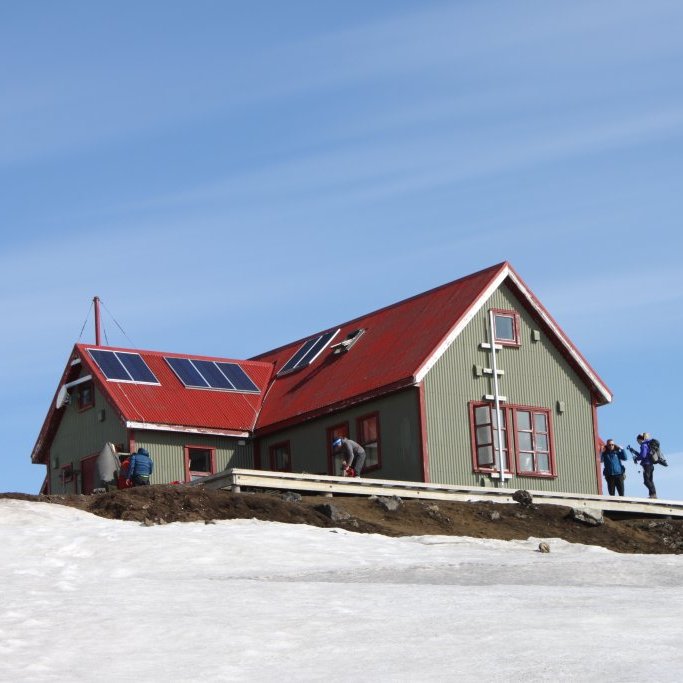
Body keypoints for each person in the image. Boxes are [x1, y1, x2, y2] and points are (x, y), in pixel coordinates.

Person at [628, 433, 657, 499]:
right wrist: (634, 452)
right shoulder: (647, 444)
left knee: (646, 481)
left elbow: (643, 456)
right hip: (650, 465)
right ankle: (652, 495)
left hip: (646, 465)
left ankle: (653, 494)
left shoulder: (643, 445)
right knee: (650, 480)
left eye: (638, 441)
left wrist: (636, 458)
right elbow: (643, 455)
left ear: (640, 440)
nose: (638, 442)